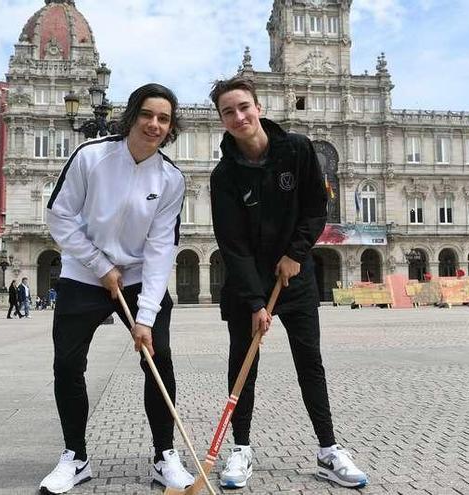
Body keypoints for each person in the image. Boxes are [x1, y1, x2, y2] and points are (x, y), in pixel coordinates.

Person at [208, 76, 368, 489]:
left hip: (294, 277)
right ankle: (241, 449)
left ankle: (329, 449)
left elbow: (317, 205)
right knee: (243, 364)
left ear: (258, 107)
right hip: (247, 283)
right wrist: (256, 301)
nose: (239, 116)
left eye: (244, 106)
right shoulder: (223, 175)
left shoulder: (296, 149)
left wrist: (296, 254)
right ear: (222, 120)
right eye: (229, 111)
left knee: (309, 363)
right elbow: (232, 244)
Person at [40, 83, 194, 494]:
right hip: (83, 274)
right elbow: (59, 216)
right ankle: (76, 456)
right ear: (131, 115)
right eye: (147, 114)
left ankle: (165, 457)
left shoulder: (171, 178)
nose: (154, 124)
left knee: (158, 361)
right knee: (68, 365)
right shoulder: (91, 156)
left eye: (163, 118)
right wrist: (99, 265)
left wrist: (145, 317)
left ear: (171, 126)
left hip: (142, 275)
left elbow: (162, 248)